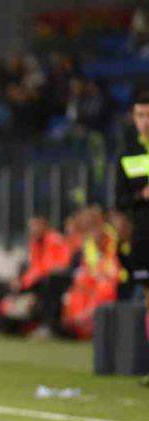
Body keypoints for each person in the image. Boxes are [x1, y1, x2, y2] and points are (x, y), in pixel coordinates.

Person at [115, 91, 149, 356]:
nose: (145, 121)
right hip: (144, 236)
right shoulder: (128, 154)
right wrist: (141, 196)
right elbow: (120, 199)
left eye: (148, 115)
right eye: (140, 115)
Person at [0, 216, 74, 336]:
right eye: (31, 227)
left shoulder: (55, 240)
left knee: (48, 284)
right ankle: (12, 324)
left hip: (54, 279)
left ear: (44, 226)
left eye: (35, 226)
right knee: (12, 287)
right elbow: (34, 267)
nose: (33, 230)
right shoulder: (34, 242)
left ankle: (47, 326)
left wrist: (29, 280)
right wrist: (21, 281)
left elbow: (53, 265)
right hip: (38, 278)